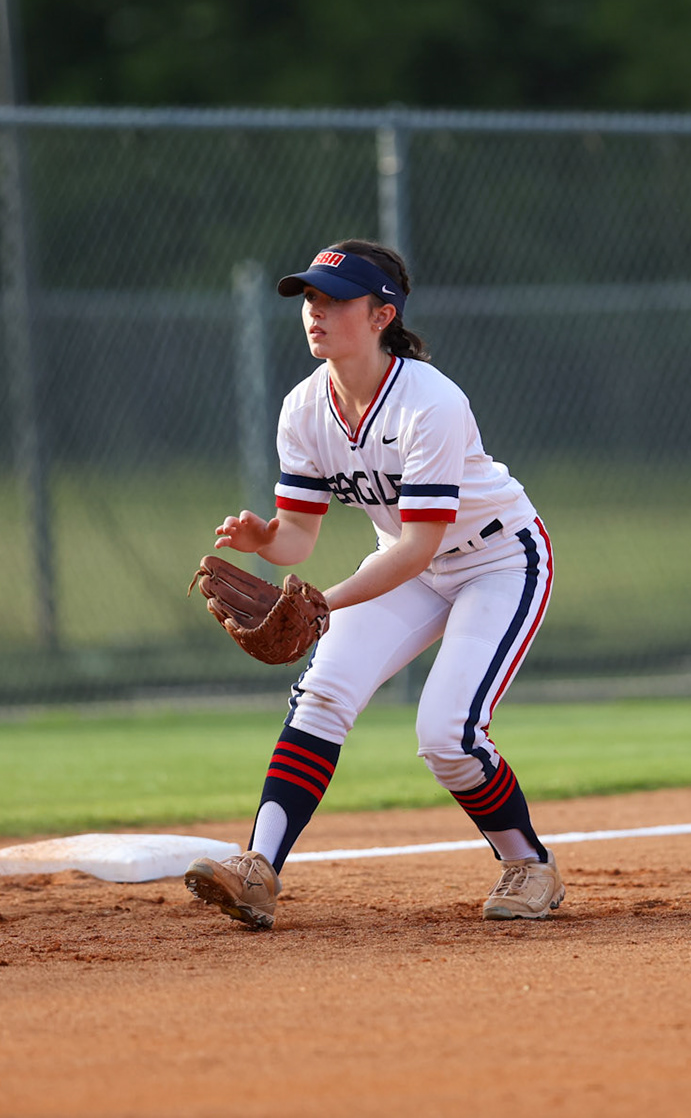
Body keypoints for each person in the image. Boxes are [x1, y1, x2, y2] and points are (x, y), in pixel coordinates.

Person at [184, 239, 560, 929]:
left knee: (447, 734)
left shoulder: (430, 402)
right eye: (309, 298)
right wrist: (266, 539)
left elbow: (419, 547)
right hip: (406, 563)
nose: (314, 312)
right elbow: (300, 535)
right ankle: (258, 869)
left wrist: (324, 600)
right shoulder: (303, 408)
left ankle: (529, 865)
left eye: (334, 299)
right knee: (322, 693)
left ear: (382, 314)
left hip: (499, 561)